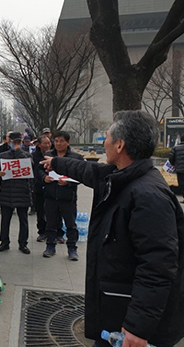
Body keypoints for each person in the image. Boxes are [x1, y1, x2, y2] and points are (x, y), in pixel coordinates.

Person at [41, 110, 184, 347]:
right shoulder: (120, 175)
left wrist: (137, 328)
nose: (104, 142)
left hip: (130, 327)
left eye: (106, 137)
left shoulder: (148, 197)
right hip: (115, 310)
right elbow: (87, 171)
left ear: (119, 145)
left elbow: (157, 267)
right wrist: (55, 162)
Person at [39, 131, 84, 260]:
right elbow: (39, 171)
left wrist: (68, 183)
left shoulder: (76, 158)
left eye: (61, 141)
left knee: (71, 224)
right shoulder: (47, 155)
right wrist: (44, 178)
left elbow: (81, 176)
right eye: (56, 141)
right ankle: (50, 246)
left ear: (68, 142)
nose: (58, 144)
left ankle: (72, 249)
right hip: (50, 196)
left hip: (67, 197)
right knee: (50, 224)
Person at [0, 132, 33, 254]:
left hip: (22, 191)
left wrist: (18, 152)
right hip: (7, 191)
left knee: (23, 219)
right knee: (5, 219)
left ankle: (23, 243)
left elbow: (30, 167)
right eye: (13, 142)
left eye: (18, 142)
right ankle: (4, 242)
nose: (15, 145)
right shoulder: (2, 155)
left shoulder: (26, 155)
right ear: (8, 142)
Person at [31, 136, 53, 242]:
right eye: (45, 143)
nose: (47, 145)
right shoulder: (33, 156)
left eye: (49, 143)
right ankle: (42, 232)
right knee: (40, 211)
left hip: (53, 186)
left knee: (54, 211)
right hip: (39, 187)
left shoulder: (54, 155)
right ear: (39, 144)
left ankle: (56, 232)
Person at [168, 135, 184, 203]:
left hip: (180, 170)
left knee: (182, 184)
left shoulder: (175, 148)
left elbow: (171, 158)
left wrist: (173, 164)